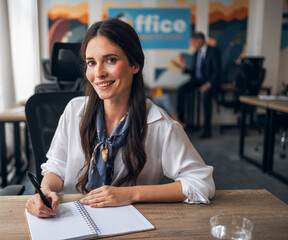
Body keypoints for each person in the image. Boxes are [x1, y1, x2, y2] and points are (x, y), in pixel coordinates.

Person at [26, 19, 215, 218]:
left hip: (131, 224)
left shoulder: (160, 125)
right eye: (91, 62)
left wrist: (131, 193)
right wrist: (46, 189)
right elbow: (57, 166)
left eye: (111, 60)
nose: (98, 73)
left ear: (135, 64)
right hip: (70, 217)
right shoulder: (75, 111)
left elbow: (201, 184)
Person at [176, 32, 221, 139]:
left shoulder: (214, 51)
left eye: (193, 42)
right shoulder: (196, 53)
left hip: (211, 81)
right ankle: (181, 121)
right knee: (181, 89)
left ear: (200, 40)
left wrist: (208, 84)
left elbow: (217, 71)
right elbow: (195, 72)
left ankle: (207, 130)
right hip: (198, 80)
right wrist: (185, 69)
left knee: (206, 97)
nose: (192, 44)